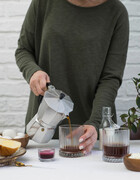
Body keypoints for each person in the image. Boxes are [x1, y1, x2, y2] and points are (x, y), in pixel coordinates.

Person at [15, 0, 129, 154]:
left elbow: (111, 78)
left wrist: (94, 123)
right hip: (44, 124)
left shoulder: (116, 12)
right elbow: (24, 50)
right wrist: (33, 72)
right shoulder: (43, 3)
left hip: (90, 132)